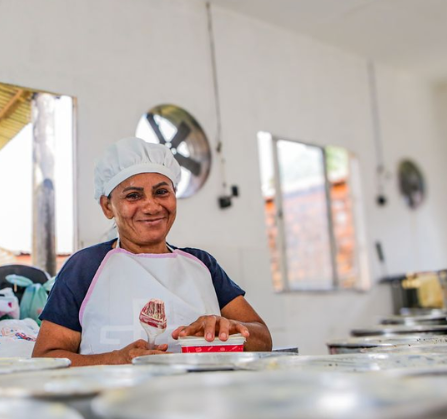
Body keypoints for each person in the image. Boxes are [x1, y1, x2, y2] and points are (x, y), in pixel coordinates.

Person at [32, 137, 272, 365]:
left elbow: (264, 340)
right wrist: (115, 360)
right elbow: (45, 358)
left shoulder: (201, 264)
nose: (151, 206)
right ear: (107, 206)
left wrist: (230, 327)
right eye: (133, 195)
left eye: (161, 192)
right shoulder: (86, 266)